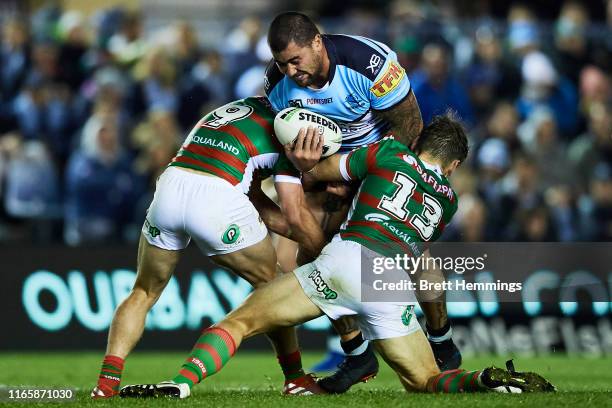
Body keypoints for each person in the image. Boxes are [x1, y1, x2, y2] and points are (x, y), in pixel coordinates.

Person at [118, 114, 555, 398]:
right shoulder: (449, 202)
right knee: (425, 382)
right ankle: (489, 380)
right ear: (454, 166)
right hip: (391, 282)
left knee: (239, 323)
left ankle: (180, 384)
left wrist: (307, 160)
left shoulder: (390, 152)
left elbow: (322, 171)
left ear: (419, 142)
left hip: (345, 260)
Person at [264, 11, 460, 392]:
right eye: (282, 63)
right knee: (312, 256)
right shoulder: (277, 84)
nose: (290, 71)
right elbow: (289, 145)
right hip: (328, 169)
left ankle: (441, 340)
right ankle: (356, 353)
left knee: (415, 256)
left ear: (316, 43)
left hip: (382, 162)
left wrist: (366, 177)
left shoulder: (369, 63)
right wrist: (315, 170)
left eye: (296, 60)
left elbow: (410, 124)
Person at [91, 96, 327, 398]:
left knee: (144, 291)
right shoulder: (294, 129)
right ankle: (295, 378)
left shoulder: (237, 107)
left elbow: (257, 197)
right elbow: (293, 212)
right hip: (217, 194)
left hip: (171, 184)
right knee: (272, 288)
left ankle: (106, 384)